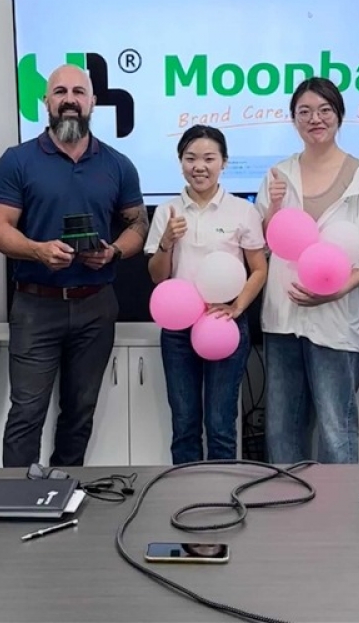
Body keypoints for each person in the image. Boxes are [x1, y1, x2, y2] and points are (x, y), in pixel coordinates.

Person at [0, 63, 147, 467]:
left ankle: (65, 490)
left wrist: (113, 252)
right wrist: (38, 250)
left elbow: (138, 225)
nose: (70, 100)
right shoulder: (17, 161)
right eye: (60, 92)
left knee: (79, 413)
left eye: (78, 92)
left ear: (92, 101)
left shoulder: (118, 164)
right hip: (36, 306)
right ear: (47, 102)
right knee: (26, 414)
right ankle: (20, 498)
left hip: (96, 305)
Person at [256, 77, 359, 464]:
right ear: (294, 119)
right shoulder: (278, 175)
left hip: (336, 320)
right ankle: (286, 498)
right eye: (305, 112)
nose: (315, 119)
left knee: (336, 428)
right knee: (281, 427)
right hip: (284, 319)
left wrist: (333, 291)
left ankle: (339, 503)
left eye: (324, 110)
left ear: (339, 115)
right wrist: (274, 208)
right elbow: (265, 243)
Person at [145, 126, 267, 464]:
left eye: (209, 158)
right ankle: (186, 492)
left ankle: (223, 492)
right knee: (184, 423)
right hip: (178, 330)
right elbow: (158, 276)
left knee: (220, 424)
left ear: (224, 162)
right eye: (191, 158)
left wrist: (238, 307)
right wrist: (167, 241)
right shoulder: (167, 211)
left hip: (223, 327)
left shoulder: (242, 211)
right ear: (181, 162)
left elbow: (259, 269)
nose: (199, 166)